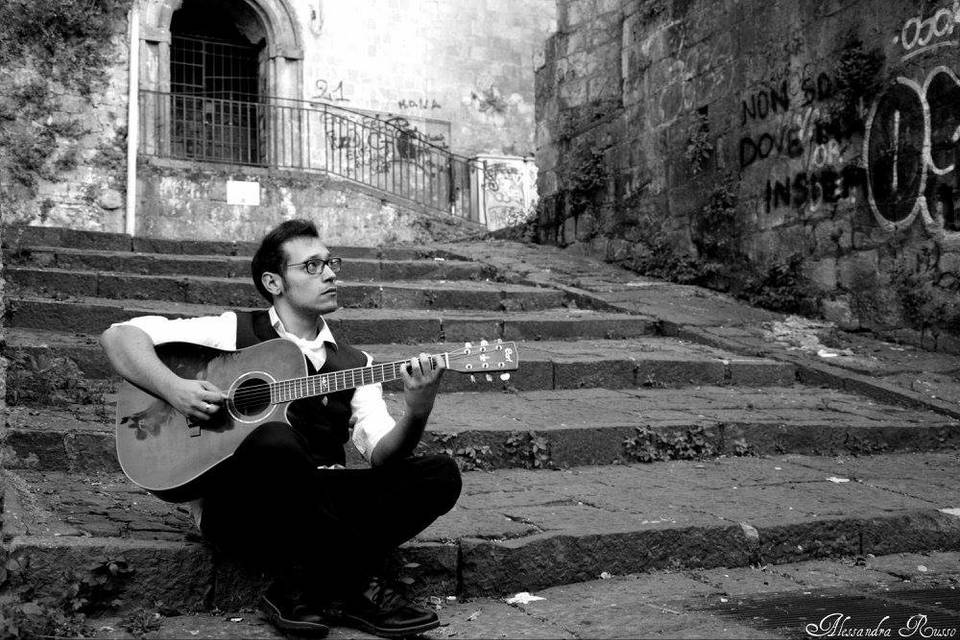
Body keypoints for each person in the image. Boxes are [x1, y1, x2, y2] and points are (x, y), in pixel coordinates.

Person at [100, 219, 462, 638]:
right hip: (242, 508)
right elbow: (118, 337)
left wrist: (417, 411)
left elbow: (381, 453)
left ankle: (298, 587)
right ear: (274, 282)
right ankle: (358, 586)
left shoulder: (356, 363)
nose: (329, 274)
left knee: (440, 473)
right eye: (311, 266)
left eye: (330, 263)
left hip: (321, 498)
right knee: (274, 440)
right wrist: (176, 389)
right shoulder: (228, 332)